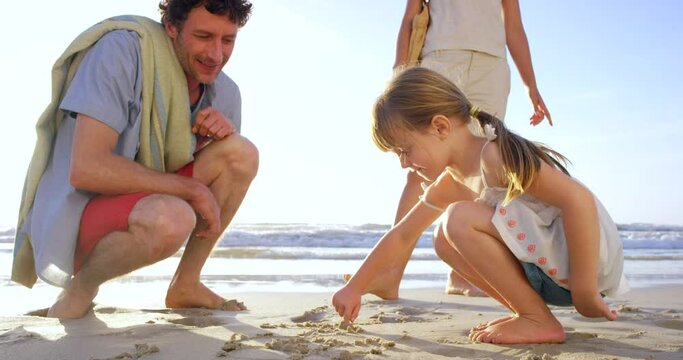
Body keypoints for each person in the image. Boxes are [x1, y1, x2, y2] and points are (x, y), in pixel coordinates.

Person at [332, 67, 629, 344]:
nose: (404, 163)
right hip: (547, 269)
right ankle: (528, 312)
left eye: (405, 150)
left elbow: (578, 200)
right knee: (443, 240)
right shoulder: (450, 182)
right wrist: (354, 286)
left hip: (579, 269)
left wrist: (586, 289)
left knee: (457, 219)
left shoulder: (495, 156)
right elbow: (402, 234)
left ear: (439, 127)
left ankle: (537, 319)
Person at [11, 0, 258, 319]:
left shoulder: (224, 93)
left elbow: (191, 168)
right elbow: (87, 169)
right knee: (172, 218)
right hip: (82, 213)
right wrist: (191, 190)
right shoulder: (122, 51)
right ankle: (80, 289)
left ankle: (186, 283)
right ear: (171, 27)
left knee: (240, 153)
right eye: (203, 36)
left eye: (227, 40)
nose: (215, 54)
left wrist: (216, 139)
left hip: (140, 205)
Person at [389, 0, 553, 297]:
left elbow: (513, 26)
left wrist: (532, 85)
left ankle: (462, 273)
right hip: (440, 58)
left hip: (491, 65)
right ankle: (390, 272)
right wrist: (399, 75)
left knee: (480, 169)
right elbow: (410, 17)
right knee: (420, 167)